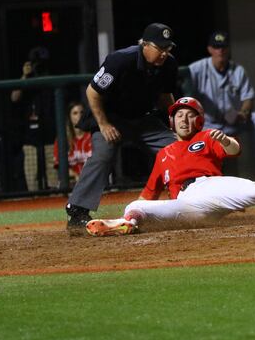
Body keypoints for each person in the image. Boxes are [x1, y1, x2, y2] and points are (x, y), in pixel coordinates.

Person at [84, 97, 255, 236]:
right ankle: (124, 224)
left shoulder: (207, 136)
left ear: (199, 120)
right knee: (136, 206)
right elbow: (148, 195)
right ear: (171, 121)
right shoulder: (164, 154)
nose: (184, 119)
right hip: (187, 206)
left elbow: (234, 150)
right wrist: (140, 209)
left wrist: (226, 140)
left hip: (211, 187)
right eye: (179, 115)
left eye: (190, 115)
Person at [65, 23, 179, 234]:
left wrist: (177, 123)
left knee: (175, 148)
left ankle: (189, 197)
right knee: (103, 154)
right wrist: (104, 124)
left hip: (142, 119)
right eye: (159, 47)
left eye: (167, 48)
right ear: (144, 44)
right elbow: (92, 92)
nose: (164, 53)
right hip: (110, 117)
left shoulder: (169, 64)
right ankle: (78, 211)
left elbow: (165, 98)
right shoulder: (120, 60)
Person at [188, 30, 255, 181]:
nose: (220, 50)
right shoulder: (196, 69)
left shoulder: (237, 70)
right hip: (208, 124)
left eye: (223, 47)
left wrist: (243, 113)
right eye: (216, 47)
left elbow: (248, 97)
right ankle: (195, 174)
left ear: (228, 49)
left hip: (233, 121)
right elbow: (185, 94)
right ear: (209, 49)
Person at [10, 46, 57, 192]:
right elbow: (14, 97)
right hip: (30, 137)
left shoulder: (50, 78)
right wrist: (25, 75)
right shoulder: (26, 81)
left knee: (54, 180)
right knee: (32, 180)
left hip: (49, 134)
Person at [53, 102, 92, 184]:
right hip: (71, 182)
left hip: (92, 180)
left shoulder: (92, 136)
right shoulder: (62, 139)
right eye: (75, 113)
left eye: (82, 112)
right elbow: (59, 166)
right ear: (69, 117)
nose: (79, 115)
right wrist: (75, 175)